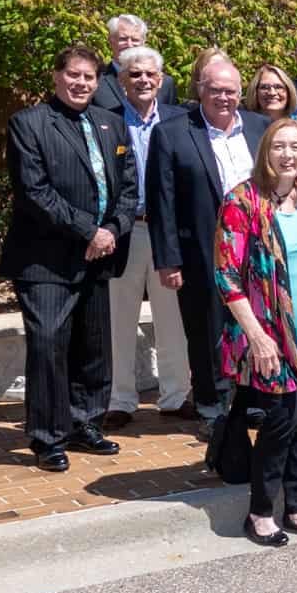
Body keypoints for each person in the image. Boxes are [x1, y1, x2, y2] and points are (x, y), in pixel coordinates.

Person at [0, 46, 137, 472]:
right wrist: (87, 230)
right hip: (46, 260)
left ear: (99, 81)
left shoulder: (111, 124)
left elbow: (129, 187)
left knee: (93, 347)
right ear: (56, 76)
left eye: (89, 77)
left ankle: (84, 423)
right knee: (49, 347)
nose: (81, 83)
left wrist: (112, 229)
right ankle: (47, 437)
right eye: (73, 75)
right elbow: (35, 192)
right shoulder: (29, 124)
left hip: (100, 254)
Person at [213, 118, 297, 546]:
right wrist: (258, 337)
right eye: (279, 146)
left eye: (296, 147)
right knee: (280, 422)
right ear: (266, 151)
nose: (288, 155)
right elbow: (226, 276)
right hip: (270, 336)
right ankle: (260, 512)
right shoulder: (242, 201)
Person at [146, 58, 267, 426]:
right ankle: (212, 409)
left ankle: (252, 400)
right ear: (200, 89)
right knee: (207, 332)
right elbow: (161, 200)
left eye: (230, 90)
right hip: (201, 249)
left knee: (256, 325)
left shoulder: (262, 127)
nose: (223, 97)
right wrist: (168, 260)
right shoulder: (172, 132)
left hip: (258, 250)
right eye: (215, 90)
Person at [103, 46, 186, 428]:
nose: (143, 81)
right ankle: (120, 399)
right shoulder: (107, 122)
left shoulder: (180, 119)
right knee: (120, 317)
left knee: (173, 317)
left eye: (150, 74)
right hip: (126, 231)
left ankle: (176, 395)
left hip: (167, 231)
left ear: (162, 79)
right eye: (134, 75)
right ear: (122, 82)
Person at [94, 15, 179, 113]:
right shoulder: (96, 81)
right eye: (123, 39)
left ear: (143, 42)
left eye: (135, 40)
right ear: (111, 40)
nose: (129, 45)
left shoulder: (166, 84)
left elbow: (173, 121)